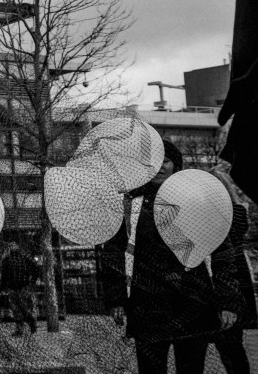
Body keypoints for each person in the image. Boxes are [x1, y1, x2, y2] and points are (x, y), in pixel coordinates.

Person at [100, 140, 243, 374]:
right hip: (147, 308)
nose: (159, 167)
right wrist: (116, 299)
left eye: (165, 161)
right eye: (152, 162)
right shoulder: (130, 207)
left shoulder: (198, 202)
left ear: (175, 165)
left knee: (191, 368)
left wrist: (228, 301)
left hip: (193, 304)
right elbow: (114, 254)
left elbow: (222, 254)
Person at [211, 164, 258, 374]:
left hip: (229, 275)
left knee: (228, 341)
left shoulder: (227, 213)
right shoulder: (238, 210)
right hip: (237, 275)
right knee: (232, 343)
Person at [0, 243, 39, 336]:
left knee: (17, 309)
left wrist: (2, 287)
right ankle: (29, 324)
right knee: (23, 308)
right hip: (24, 286)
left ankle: (22, 328)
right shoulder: (25, 258)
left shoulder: (7, 260)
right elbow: (36, 268)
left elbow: (4, 275)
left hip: (14, 287)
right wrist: (32, 281)